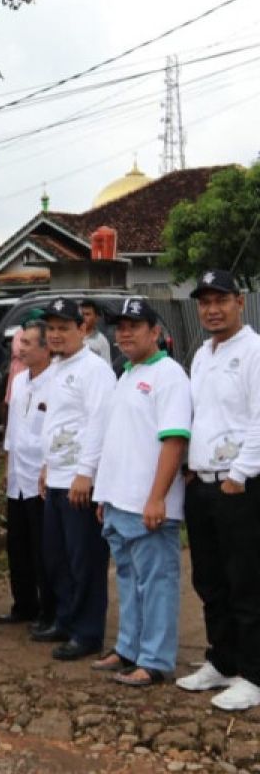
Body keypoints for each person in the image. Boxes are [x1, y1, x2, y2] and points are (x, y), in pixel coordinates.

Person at [91, 297, 190, 687]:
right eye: (120, 326)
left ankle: (155, 659)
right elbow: (120, 441)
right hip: (119, 500)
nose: (125, 332)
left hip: (149, 503)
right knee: (129, 580)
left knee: (158, 582)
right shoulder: (126, 374)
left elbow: (174, 441)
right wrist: (105, 494)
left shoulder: (169, 375)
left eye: (134, 325)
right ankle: (128, 649)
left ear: (156, 332)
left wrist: (157, 497)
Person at [177, 270, 260, 711]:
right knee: (209, 580)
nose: (211, 309)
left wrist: (240, 473)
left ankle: (254, 673)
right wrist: (193, 467)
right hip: (203, 483)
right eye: (204, 302)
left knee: (245, 580)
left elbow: (259, 419)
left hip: (239, 485)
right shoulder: (203, 355)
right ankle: (222, 661)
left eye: (220, 300)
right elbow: (202, 416)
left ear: (240, 302)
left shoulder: (254, 352)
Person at [35, 297, 116, 661]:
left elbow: (99, 424)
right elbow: (56, 423)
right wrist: (46, 466)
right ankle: (65, 620)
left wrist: (86, 473)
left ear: (82, 329)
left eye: (63, 328)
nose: (55, 335)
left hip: (80, 481)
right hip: (56, 478)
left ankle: (88, 631)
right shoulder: (54, 369)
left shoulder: (94, 370)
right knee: (58, 556)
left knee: (85, 560)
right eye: (50, 328)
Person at [0, 319, 55, 632]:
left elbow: (54, 432)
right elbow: (13, 429)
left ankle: (48, 612)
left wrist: (48, 468)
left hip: (41, 478)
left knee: (42, 548)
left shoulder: (55, 381)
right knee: (17, 545)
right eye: (20, 343)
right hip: (19, 475)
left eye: (28, 344)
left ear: (45, 348)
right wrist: (8, 467)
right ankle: (23, 604)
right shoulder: (19, 381)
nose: (20, 349)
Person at [80, 300, 114, 365]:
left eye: (87, 314)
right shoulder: (71, 336)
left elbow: (106, 367)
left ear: (96, 318)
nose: (83, 317)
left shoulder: (101, 341)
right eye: (81, 314)